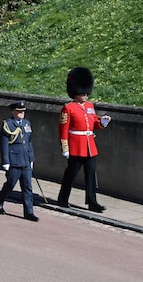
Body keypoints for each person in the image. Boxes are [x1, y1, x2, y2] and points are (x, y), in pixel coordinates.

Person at [57, 67, 112, 212]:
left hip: (89, 146)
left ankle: (92, 201)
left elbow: (93, 122)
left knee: (91, 175)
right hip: (76, 147)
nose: (86, 95)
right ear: (76, 92)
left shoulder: (89, 106)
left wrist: (102, 123)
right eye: (83, 92)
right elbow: (63, 129)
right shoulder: (68, 108)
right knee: (71, 174)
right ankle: (63, 198)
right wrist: (65, 148)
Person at [0, 101, 38, 222]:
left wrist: (31, 158)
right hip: (14, 160)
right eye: (19, 111)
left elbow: (29, 142)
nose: (21, 113)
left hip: (26, 160)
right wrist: (5, 161)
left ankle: (29, 212)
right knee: (10, 184)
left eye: (23, 111)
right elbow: (4, 145)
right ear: (13, 112)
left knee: (27, 187)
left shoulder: (27, 123)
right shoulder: (7, 124)